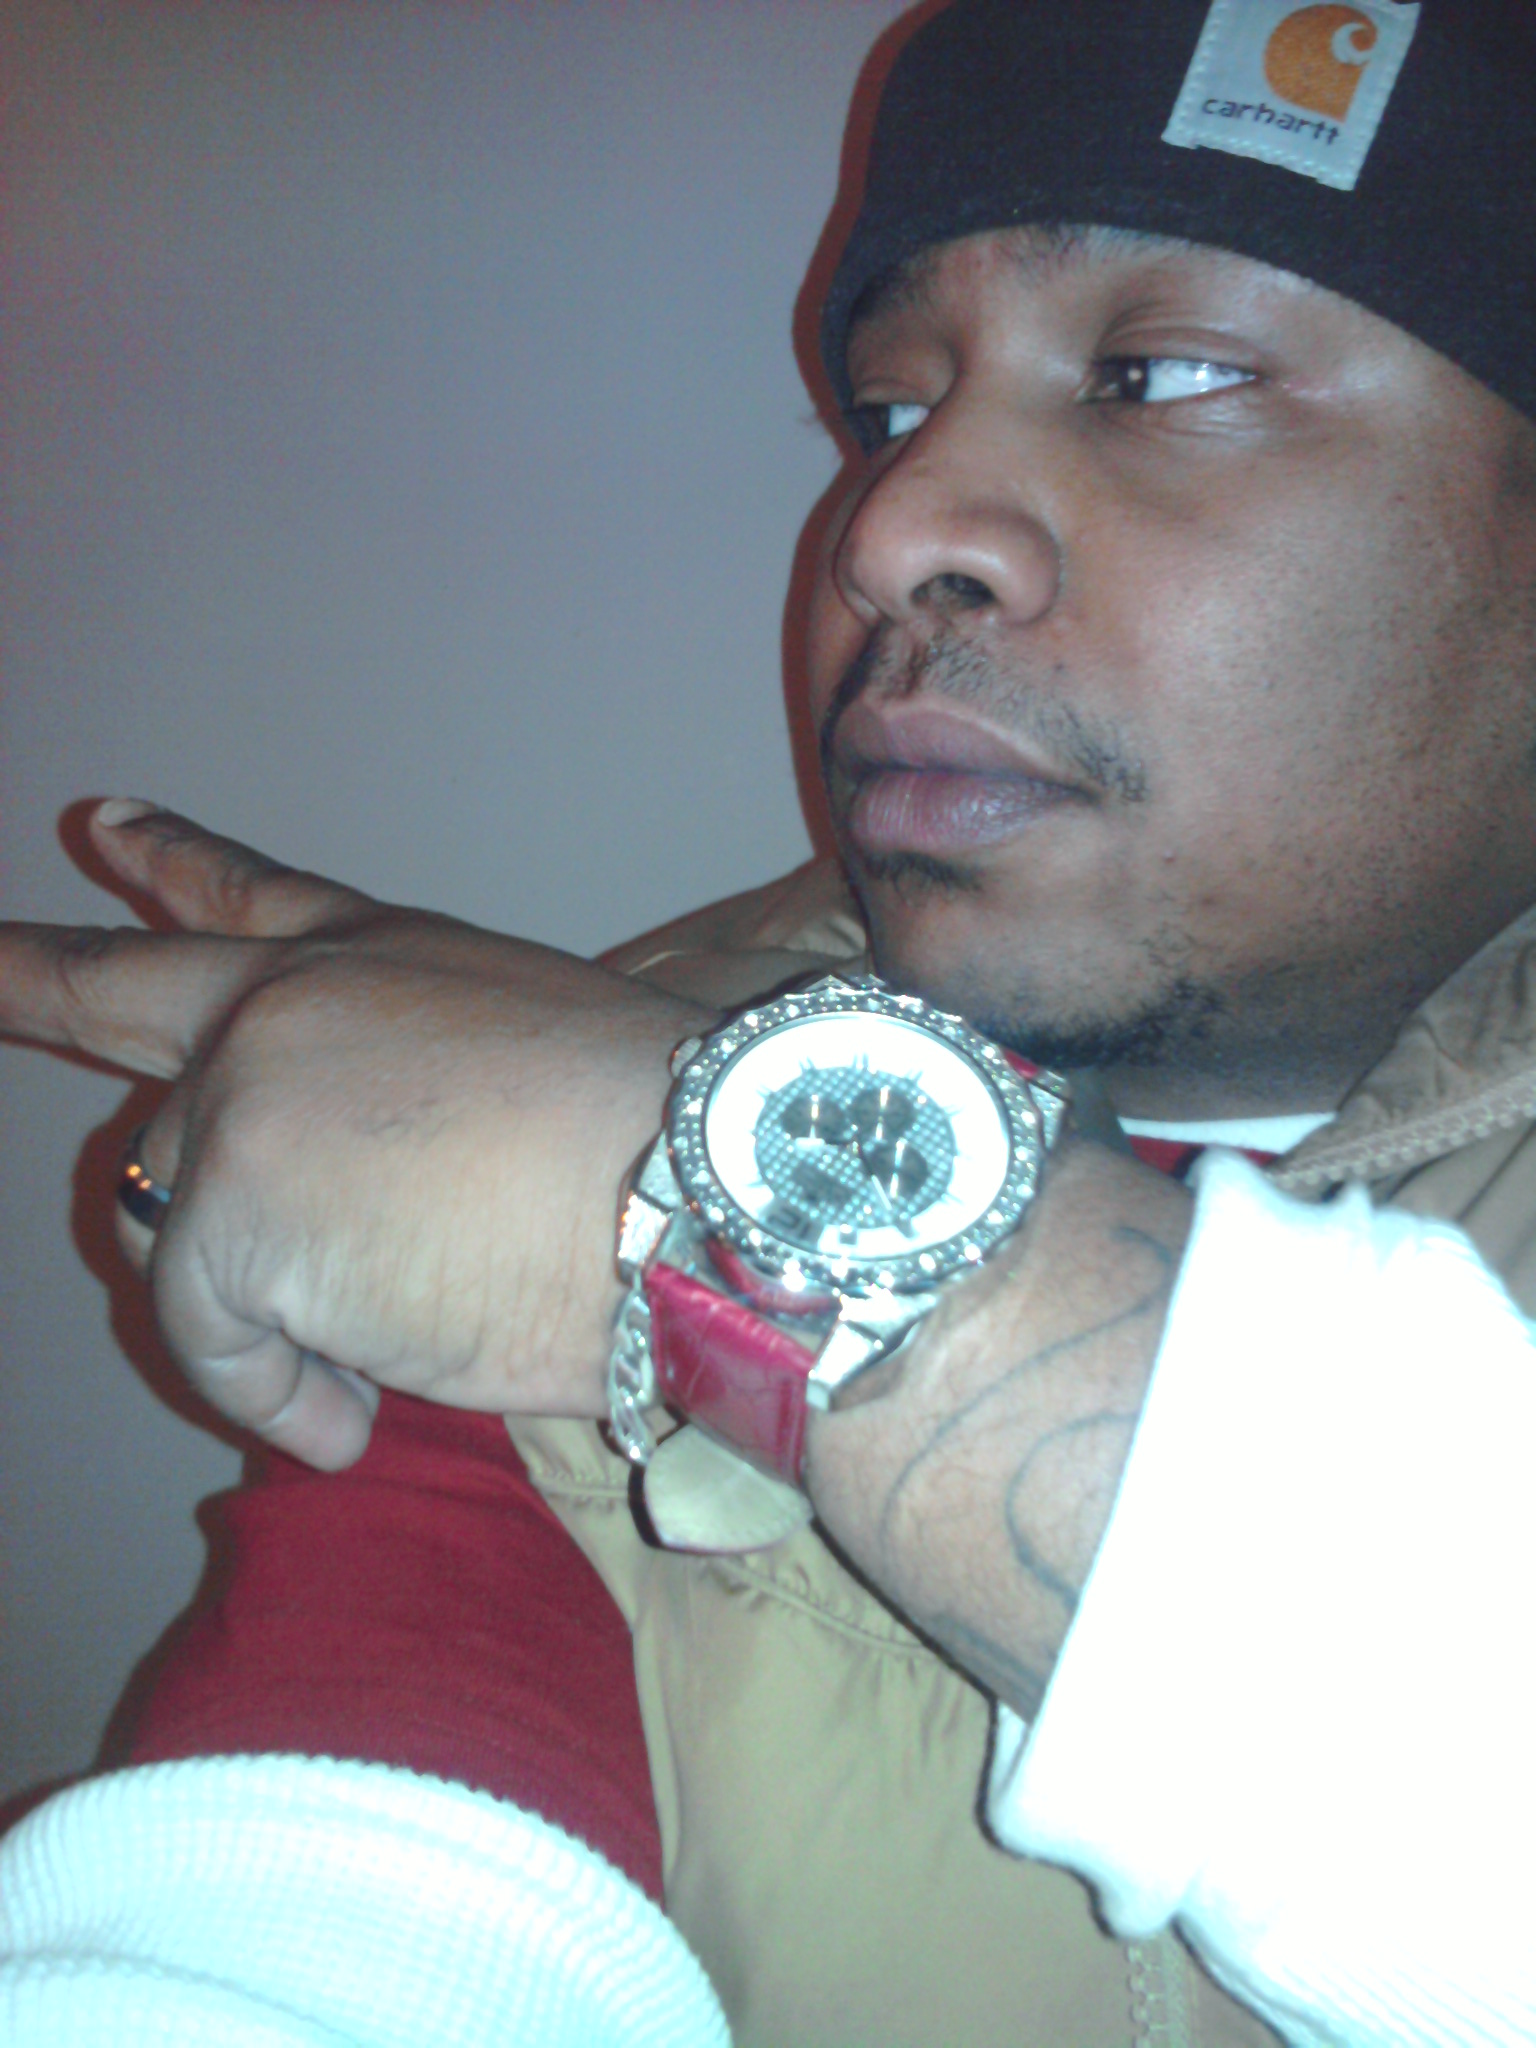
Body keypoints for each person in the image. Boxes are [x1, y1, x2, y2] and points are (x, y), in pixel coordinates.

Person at [3, 0, 1536, 2043]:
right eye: (889, 409)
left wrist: (707, 1203)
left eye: (1164, 377)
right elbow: (304, 1924)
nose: (887, 530)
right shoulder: (561, 1108)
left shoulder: (622, 1152)